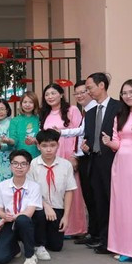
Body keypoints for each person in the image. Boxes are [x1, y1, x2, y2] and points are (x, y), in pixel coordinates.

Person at [103, 79, 132, 262]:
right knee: (121, 205)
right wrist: (108, 142)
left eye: (131, 92)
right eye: (124, 93)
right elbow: (117, 143)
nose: (127, 96)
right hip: (120, 162)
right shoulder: (119, 115)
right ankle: (123, 246)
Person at [82, 72, 122, 253]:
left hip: (112, 161)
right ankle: (104, 239)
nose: (88, 91)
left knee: (112, 200)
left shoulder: (118, 108)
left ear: (101, 85)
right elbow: (89, 137)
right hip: (94, 161)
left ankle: (115, 240)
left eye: (89, 87)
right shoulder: (90, 112)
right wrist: (87, 147)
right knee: (99, 201)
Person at [40, 83, 86, 238]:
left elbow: (80, 134)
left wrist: (75, 155)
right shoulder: (45, 114)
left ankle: (75, 227)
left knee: (71, 189)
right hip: (52, 155)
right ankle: (55, 225)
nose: (50, 97)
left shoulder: (72, 110)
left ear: (61, 94)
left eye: (53, 93)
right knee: (54, 188)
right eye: (47, 94)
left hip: (67, 154)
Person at [27, 130, 76, 259]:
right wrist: (46, 206)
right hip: (39, 208)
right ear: (38, 146)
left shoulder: (66, 165)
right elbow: (31, 192)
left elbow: (69, 191)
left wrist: (66, 216)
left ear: (58, 145)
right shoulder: (33, 164)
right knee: (41, 214)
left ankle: (41, 238)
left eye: (52, 145)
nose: (49, 150)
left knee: (56, 246)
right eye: (44, 146)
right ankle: (39, 245)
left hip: (58, 209)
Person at [59, 81, 98, 242]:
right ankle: (93, 232)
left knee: (95, 197)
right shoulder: (87, 111)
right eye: (78, 93)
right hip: (83, 156)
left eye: (85, 91)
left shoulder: (96, 110)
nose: (81, 95)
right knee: (89, 196)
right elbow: (81, 131)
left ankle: (97, 234)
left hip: (91, 157)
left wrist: (76, 154)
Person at [0, 150, 42, 264]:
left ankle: (30, 255)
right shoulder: (1, 186)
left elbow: (29, 213)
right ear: (10, 165)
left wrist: (5, 219)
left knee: (22, 219)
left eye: (23, 164)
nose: (19, 167)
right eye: (15, 163)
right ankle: (15, 248)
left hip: (27, 224)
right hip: (10, 223)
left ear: (29, 167)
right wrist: (4, 217)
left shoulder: (35, 187)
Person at [4, 91, 40, 159]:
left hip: (38, 156)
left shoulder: (40, 119)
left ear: (35, 104)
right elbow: (14, 140)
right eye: (25, 102)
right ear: (21, 104)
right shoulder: (14, 120)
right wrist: (8, 141)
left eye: (31, 102)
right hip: (21, 157)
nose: (27, 105)